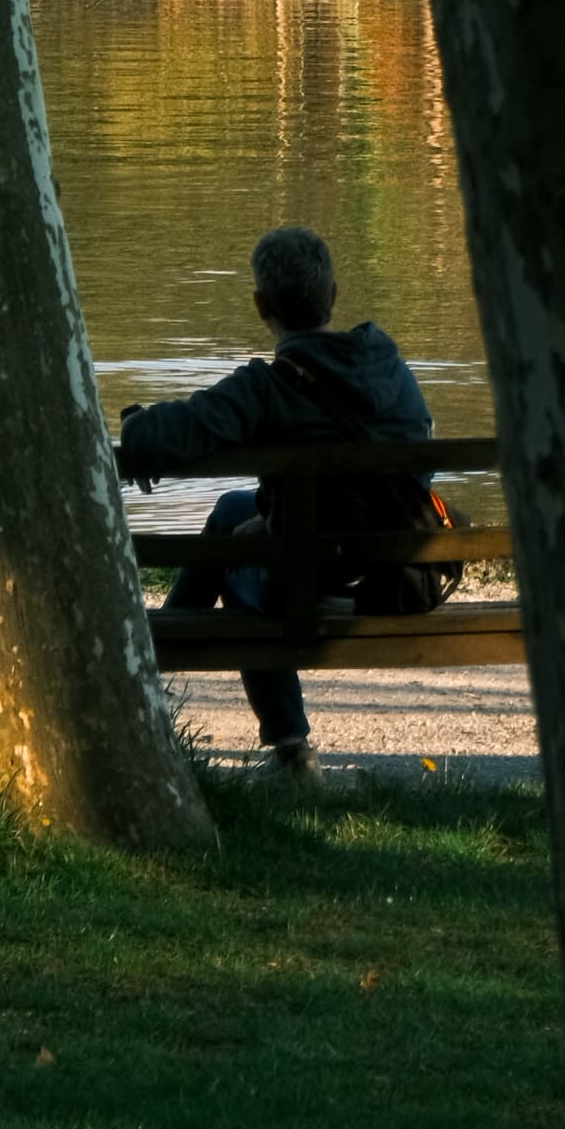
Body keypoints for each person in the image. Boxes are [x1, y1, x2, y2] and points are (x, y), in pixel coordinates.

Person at [116, 225, 434, 773]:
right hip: (386, 565)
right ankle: (160, 655)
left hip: (323, 579)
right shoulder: (389, 364)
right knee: (230, 513)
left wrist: (136, 425)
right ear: (333, 295)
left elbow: (170, 432)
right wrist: (268, 518)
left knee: (243, 565)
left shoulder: (267, 388)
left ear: (260, 304)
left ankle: (282, 745)